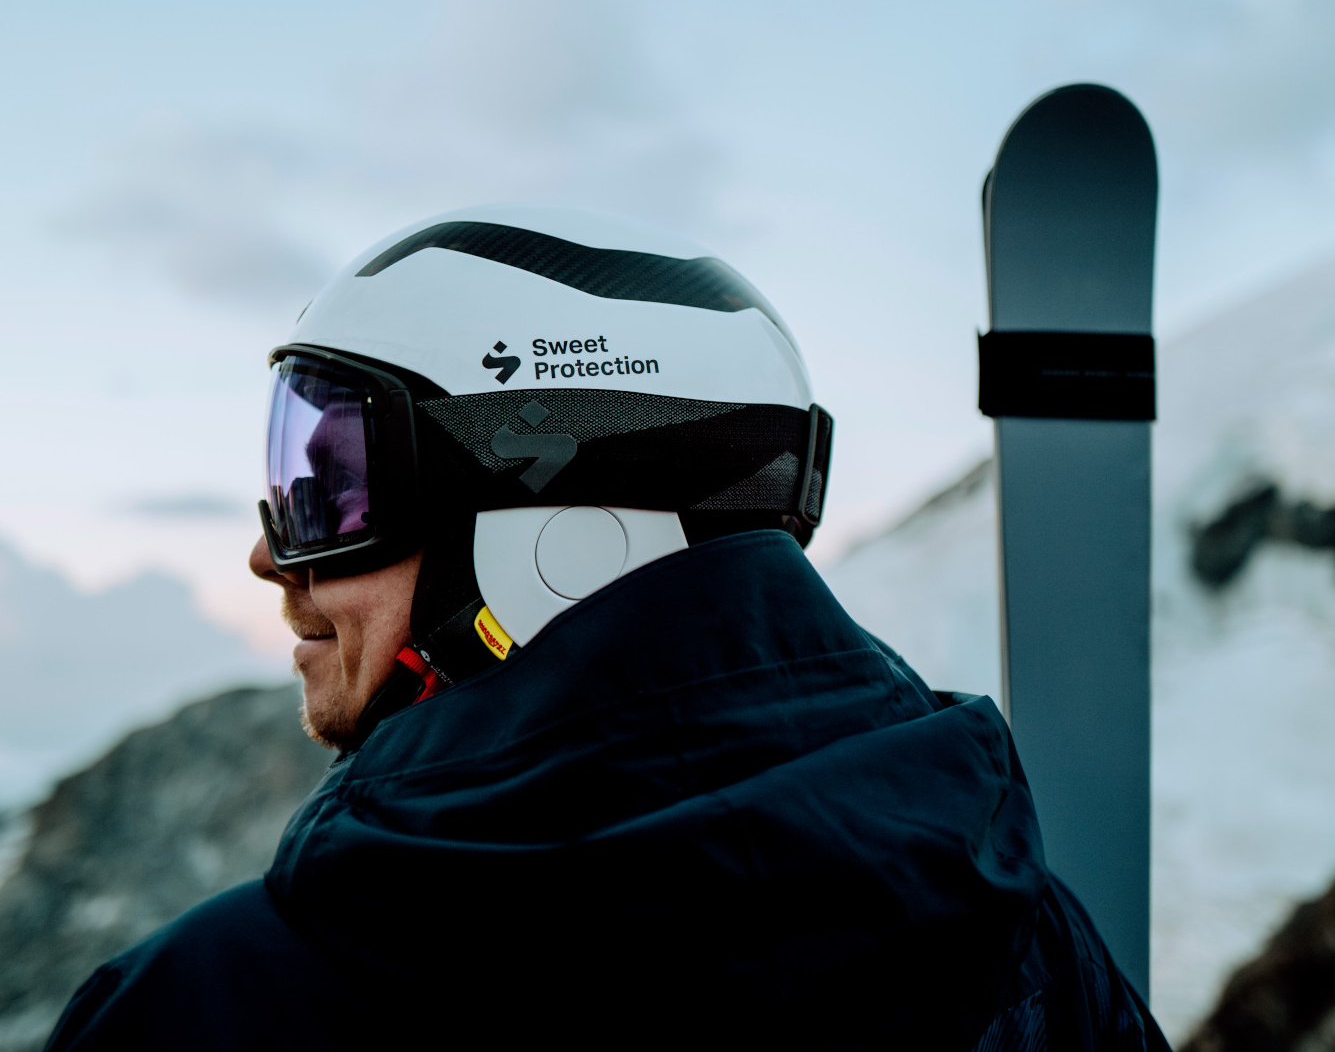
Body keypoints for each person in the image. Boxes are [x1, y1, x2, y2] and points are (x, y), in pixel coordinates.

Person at [47, 205, 1169, 1050]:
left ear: (555, 534)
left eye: (330, 491)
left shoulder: (212, 1008)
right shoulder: (1024, 940)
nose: (270, 555)